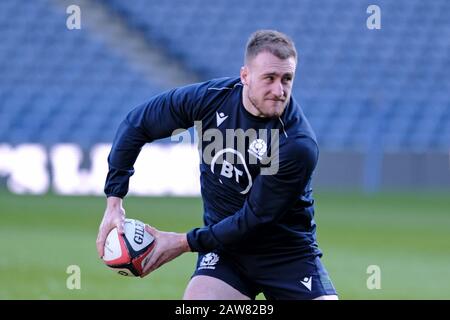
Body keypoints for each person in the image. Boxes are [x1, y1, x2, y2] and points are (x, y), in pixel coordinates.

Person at [96, 30, 338, 300]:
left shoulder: (296, 143)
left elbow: (253, 220)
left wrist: (180, 243)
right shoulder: (210, 99)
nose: (279, 90)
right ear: (245, 76)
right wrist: (114, 201)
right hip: (226, 253)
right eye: (269, 78)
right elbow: (137, 124)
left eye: (287, 79)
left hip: (286, 255)